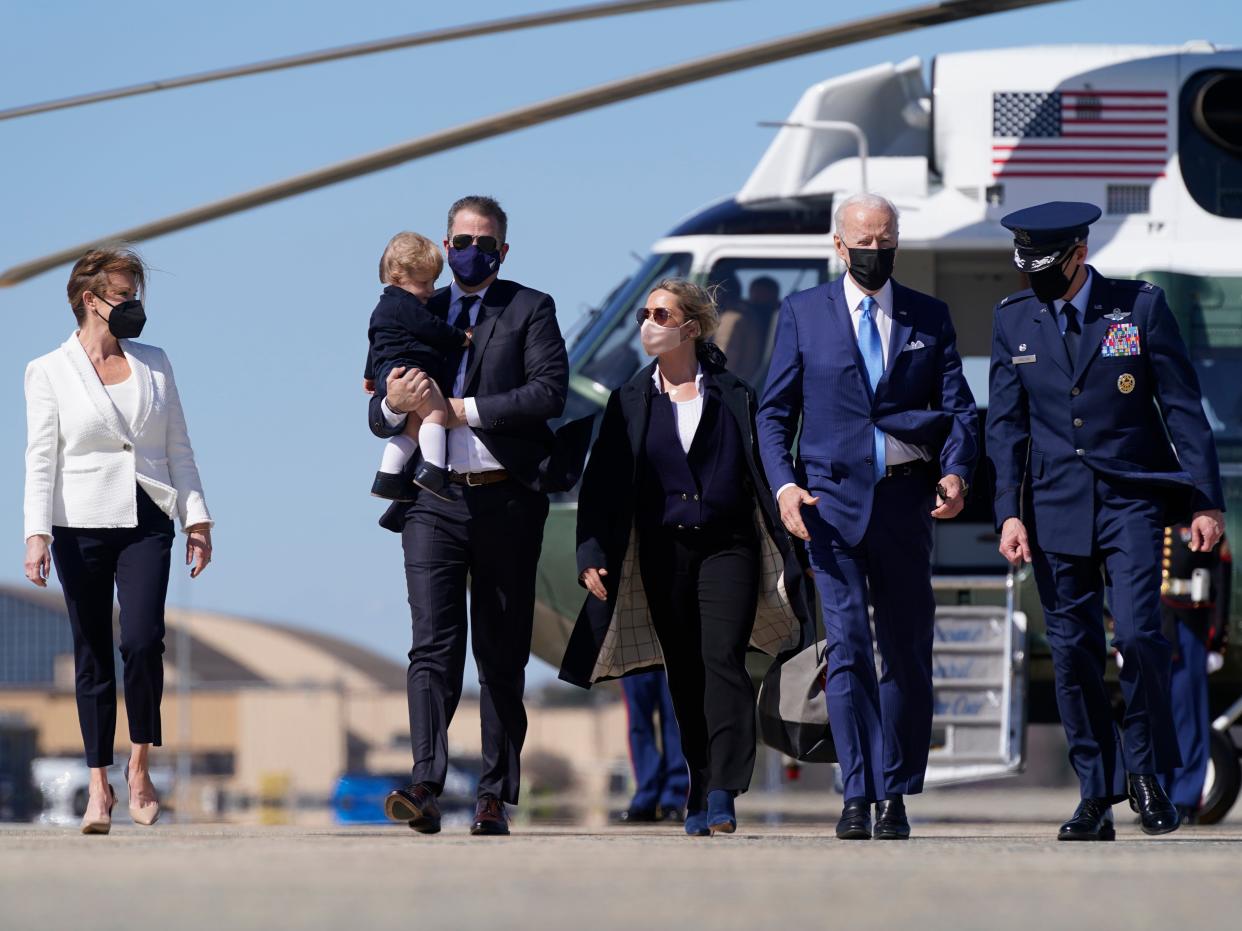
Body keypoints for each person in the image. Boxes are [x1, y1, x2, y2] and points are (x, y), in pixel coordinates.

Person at [986, 201, 1225, 840]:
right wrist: (1008, 512)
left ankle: (1147, 773)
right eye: (1025, 267)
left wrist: (1206, 501)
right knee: (1071, 652)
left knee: (1143, 635)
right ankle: (1097, 790)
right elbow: (1004, 426)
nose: (1033, 279)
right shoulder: (1013, 321)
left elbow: (1182, 407)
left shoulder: (1137, 307)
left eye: (1045, 266)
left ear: (1078, 254)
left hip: (1133, 499)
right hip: (1054, 504)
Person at [757, 192, 977, 841]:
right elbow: (773, 414)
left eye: (885, 244)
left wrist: (958, 469)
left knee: (907, 654)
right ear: (838, 244)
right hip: (829, 508)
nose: (874, 255)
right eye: (863, 244)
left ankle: (898, 791)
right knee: (848, 650)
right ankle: (857, 790)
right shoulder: (803, 315)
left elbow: (960, 409)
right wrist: (784, 487)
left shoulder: (927, 317)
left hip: (906, 504)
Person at [561, 278, 813, 837]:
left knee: (722, 659)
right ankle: (698, 786)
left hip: (729, 547)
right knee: (685, 672)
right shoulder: (629, 400)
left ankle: (723, 790)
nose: (647, 323)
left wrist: (792, 517)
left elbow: (762, 465)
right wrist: (591, 551)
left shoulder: (734, 393)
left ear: (690, 329)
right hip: (662, 549)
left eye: (660, 313)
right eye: (645, 314)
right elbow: (601, 483)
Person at [371, 195, 571, 837]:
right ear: (445, 241)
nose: (471, 250)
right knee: (432, 645)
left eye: (484, 241)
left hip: (506, 495)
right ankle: (426, 783)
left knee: (502, 648)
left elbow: (549, 392)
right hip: (432, 501)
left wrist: (464, 410)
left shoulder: (529, 308)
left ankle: (493, 795)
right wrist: (388, 407)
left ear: (502, 250)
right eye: (461, 238)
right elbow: (376, 399)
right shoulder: (413, 305)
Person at [22, 248, 213, 835]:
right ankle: (98, 786)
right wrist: (36, 534)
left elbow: (178, 445)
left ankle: (139, 766)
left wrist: (197, 517)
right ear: (91, 300)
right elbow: (40, 459)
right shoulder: (48, 370)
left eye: (137, 297)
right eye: (125, 297)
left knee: (143, 639)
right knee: (92, 654)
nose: (135, 308)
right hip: (78, 521)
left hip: (148, 516)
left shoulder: (156, 363)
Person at [364, 231, 471, 501]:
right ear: (399, 278)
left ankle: (387, 477)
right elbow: (431, 328)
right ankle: (434, 470)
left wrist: (371, 376)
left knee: (412, 427)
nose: (431, 290)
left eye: (434, 281)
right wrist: (461, 338)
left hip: (391, 371)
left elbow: (375, 342)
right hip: (412, 368)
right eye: (425, 282)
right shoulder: (406, 305)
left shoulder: (383, 308)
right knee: (436, 412)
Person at [1158, 525, 1230, 823]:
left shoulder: (1200, 522)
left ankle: (1185, 797)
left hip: (1190, 621)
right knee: (1154, 716)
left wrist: (1216, 639)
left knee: (1188, 715)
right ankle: (1156, 795)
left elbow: (1221, 580)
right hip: (1153, 620)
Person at [616, 670, 688, 824]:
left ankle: (673, 797)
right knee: (638, 721)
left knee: (675, 718)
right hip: (632, 649)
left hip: (675, 648)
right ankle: (646, 796)